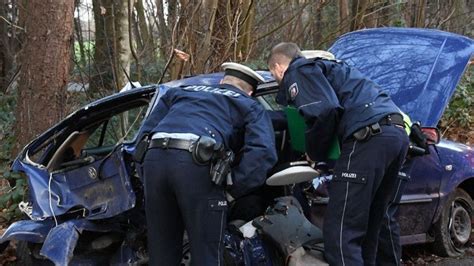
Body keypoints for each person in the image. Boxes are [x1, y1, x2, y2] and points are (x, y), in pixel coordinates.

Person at [267, 42, 409, 266]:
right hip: (395, 135)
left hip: (367, 138)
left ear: (278, 67)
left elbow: (324, 110)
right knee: (371, 228)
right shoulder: (336, 70)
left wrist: (313, 153)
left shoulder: (299, 70)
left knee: (341, 232)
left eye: (273, 75)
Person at [140, 62, 277, 265]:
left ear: (222, 81)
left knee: (162, 253)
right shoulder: (248, 104)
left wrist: (145, 172)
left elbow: (143, 136)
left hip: (154, 161)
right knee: (207, 253)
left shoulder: (179, 92)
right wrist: (233, 189)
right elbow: (263, 152)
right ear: (250, 91)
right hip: (196, 164)